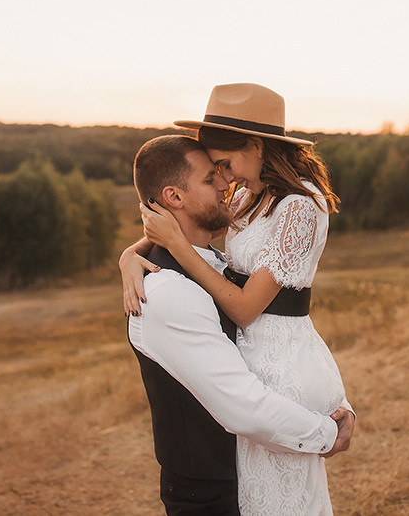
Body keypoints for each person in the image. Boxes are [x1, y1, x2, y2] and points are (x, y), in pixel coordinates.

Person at [121, 83, 352, 515]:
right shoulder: (250, 195)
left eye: (224, 165)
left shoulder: (300, 205)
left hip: (279, 361)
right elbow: (192, 227)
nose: (225, 180)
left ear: (256, 145)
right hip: (253, 364)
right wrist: (129, 256)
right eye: (215, 172)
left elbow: (245, 307)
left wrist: (175, 245)